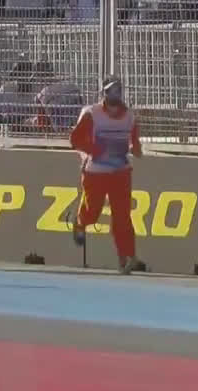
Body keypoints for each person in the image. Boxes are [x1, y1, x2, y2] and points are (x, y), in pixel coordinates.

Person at [69, 76, 144, 274]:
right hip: (95, 172)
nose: (115, 93)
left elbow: (134, 140)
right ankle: (80, 222)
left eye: (118, 89)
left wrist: (136, 149)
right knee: (92, 212)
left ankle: (127, 257)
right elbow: (75, 139)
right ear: (104, 92)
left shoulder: (130, 116)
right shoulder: (91, 113)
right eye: (111, 90)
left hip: (121, 173)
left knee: (122, 217)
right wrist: (94, 150)